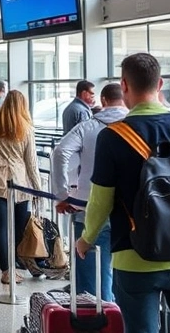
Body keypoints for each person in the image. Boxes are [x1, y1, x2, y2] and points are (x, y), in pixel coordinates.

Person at [75, 53, 170, 333]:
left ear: (124, 85)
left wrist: (86, 239)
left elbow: (101, 201)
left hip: (135, 259)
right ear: (161, 84)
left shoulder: (112, 136)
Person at [51, 83, 128, 301]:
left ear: (103, 100)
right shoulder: (136, 125)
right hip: (132, 211)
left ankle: (97, 319)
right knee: (127, 274)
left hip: (88, 206)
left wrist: (63, 194)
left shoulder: (88, 127)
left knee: (90, 274)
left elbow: (60, 153)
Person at [0, 90, 42, 285]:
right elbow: (31, 162)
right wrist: (38, 189)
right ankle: (10, 266)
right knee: (17, 226)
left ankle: (6, 270)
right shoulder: (26, 128)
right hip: (18, 182)